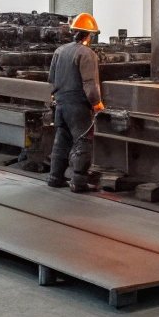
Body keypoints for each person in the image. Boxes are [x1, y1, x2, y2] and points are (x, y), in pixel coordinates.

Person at [47, 12, 104, 193]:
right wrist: (97, 104)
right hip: (77, 106)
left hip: (61, 104)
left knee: (61, 140)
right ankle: (78, 182)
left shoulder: (59, 51)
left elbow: (51, 79)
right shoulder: (87, 54)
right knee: (83, 141)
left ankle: (55, 177)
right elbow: (90, 83)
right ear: (90, 35)